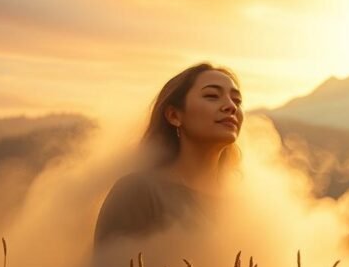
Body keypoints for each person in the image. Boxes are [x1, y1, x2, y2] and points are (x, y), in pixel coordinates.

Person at [93, 63, 244, 246]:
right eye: (212, 96)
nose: (231, 106)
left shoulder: (244, 203)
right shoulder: (138, 192)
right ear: (174, 115)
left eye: (237, 101)